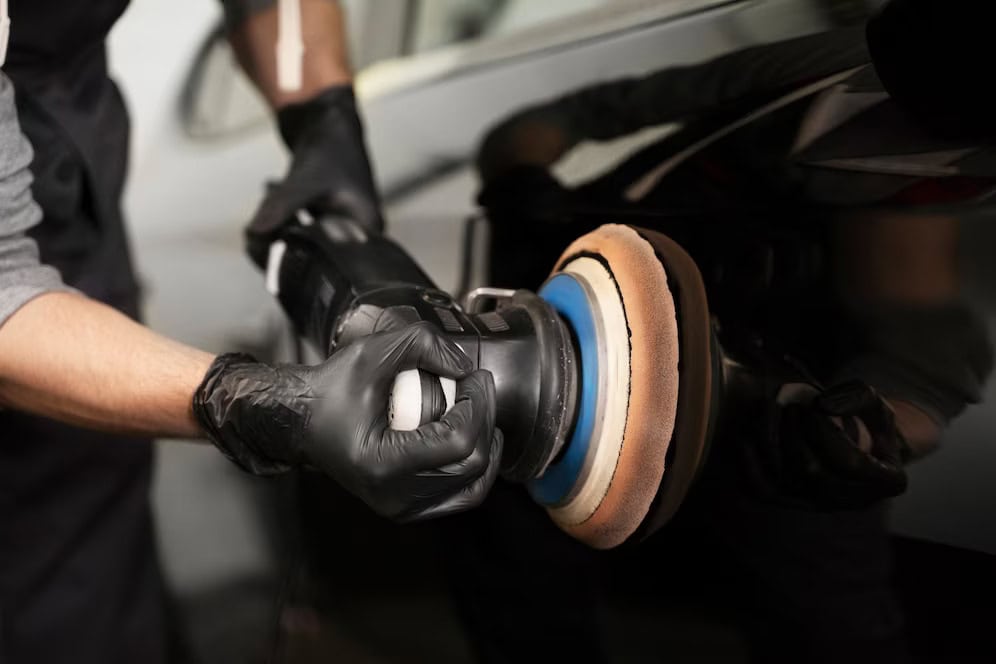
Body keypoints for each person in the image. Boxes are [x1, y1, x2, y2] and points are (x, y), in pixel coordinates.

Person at [449, 1, 993, 662]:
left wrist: (848, 437)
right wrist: (521, 179)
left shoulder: (950, 191)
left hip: (779, 395)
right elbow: (581, 114)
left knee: (826, 612)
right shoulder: (838, 69)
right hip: (588, 324)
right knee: (509, 544)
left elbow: (924, 371)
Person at [0, 1, 500, 662]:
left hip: (75, 199)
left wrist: (320, 109)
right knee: (60, 572)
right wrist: (236, 402)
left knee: (100, 498)